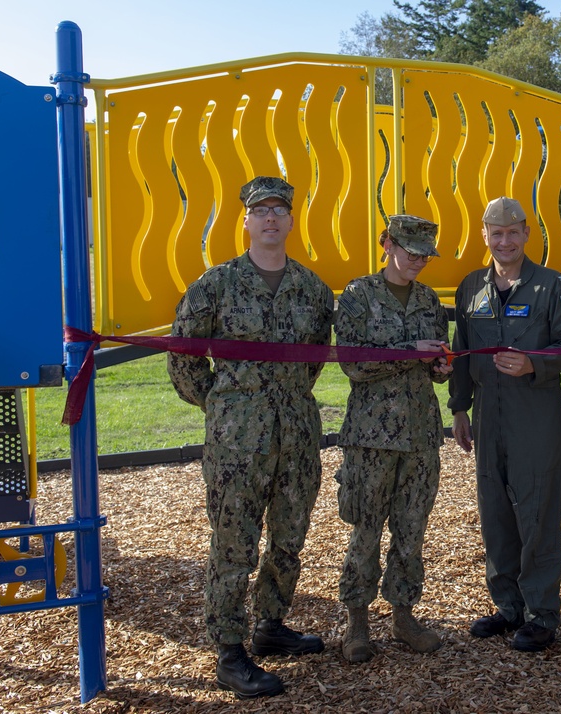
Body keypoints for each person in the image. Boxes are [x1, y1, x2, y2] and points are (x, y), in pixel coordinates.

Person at [168, 176, 334, 699]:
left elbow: (310, 361)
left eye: (278, 211)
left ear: (289, 220)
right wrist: (223, 403)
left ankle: (270, 626)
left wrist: (281, 402)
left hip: (297, 436)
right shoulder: (215, 285)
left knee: (289, 538)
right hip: (237, 441)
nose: (269, 219)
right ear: (244, 221)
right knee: (235, 543)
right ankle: (229, 648)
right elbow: (183, 357)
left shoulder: (312, 288)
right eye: (259, 210)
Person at [448, 196, 561, 652]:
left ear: (527, 234)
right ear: (484, 236)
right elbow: (462, 349)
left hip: (534, 413)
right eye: (495, 233)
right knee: (496, 514)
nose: (504, 241)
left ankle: (542, 614)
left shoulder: (552, 286)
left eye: (512, 232)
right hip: (488, 416)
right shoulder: (471, 288)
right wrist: (460, 408)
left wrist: (534, 365)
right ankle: (508, 608)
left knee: (537, 512)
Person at [334, 214, 453, 663]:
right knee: (365, 529)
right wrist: (410, 354)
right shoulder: (358, 295)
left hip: (420, 434)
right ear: (386, 243)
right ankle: (357, 621)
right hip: (371, 436)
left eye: (425, 254)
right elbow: (353, 364)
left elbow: (436, 363)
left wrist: (441, 367)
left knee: (411, 529)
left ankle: (403, 614)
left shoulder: (427, 300)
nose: (418, 261)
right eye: (410, 251)